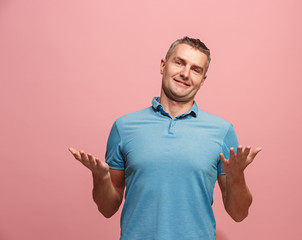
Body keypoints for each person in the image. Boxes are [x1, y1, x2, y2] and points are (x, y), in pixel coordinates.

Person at [69, 36, 261, 240]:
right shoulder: (123, 127)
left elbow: (239, 214)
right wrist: (101, 177)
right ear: (163, 65)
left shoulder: (222, 131)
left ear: (203, 80)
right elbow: (107, 209)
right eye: (179, 62)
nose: (185, 74)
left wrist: (237, 176)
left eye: (196, 69)